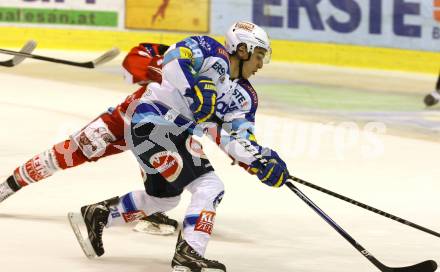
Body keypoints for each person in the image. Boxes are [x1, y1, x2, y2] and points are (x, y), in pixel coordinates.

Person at [68, 21, 289, 272]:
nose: (261, 65)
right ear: (242, 49)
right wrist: (193, 90)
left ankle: (101, 214)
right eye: (259, 55)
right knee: (210, 186)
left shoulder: (245, 97)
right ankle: (189, 253)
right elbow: (172, 59)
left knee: (163, 199)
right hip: (152, 122)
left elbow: (238, 138)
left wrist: (260, 160)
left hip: (172, 133)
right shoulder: (209, 49)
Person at [0, 41, 178, 235]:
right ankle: (7, 186)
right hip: (122, 121)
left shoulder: (207, 82)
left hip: (160, 132)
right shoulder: (177, 59)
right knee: (67, 154)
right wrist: (161, 59)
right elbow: (135, 59)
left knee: (174, 171)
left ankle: (151, 210)